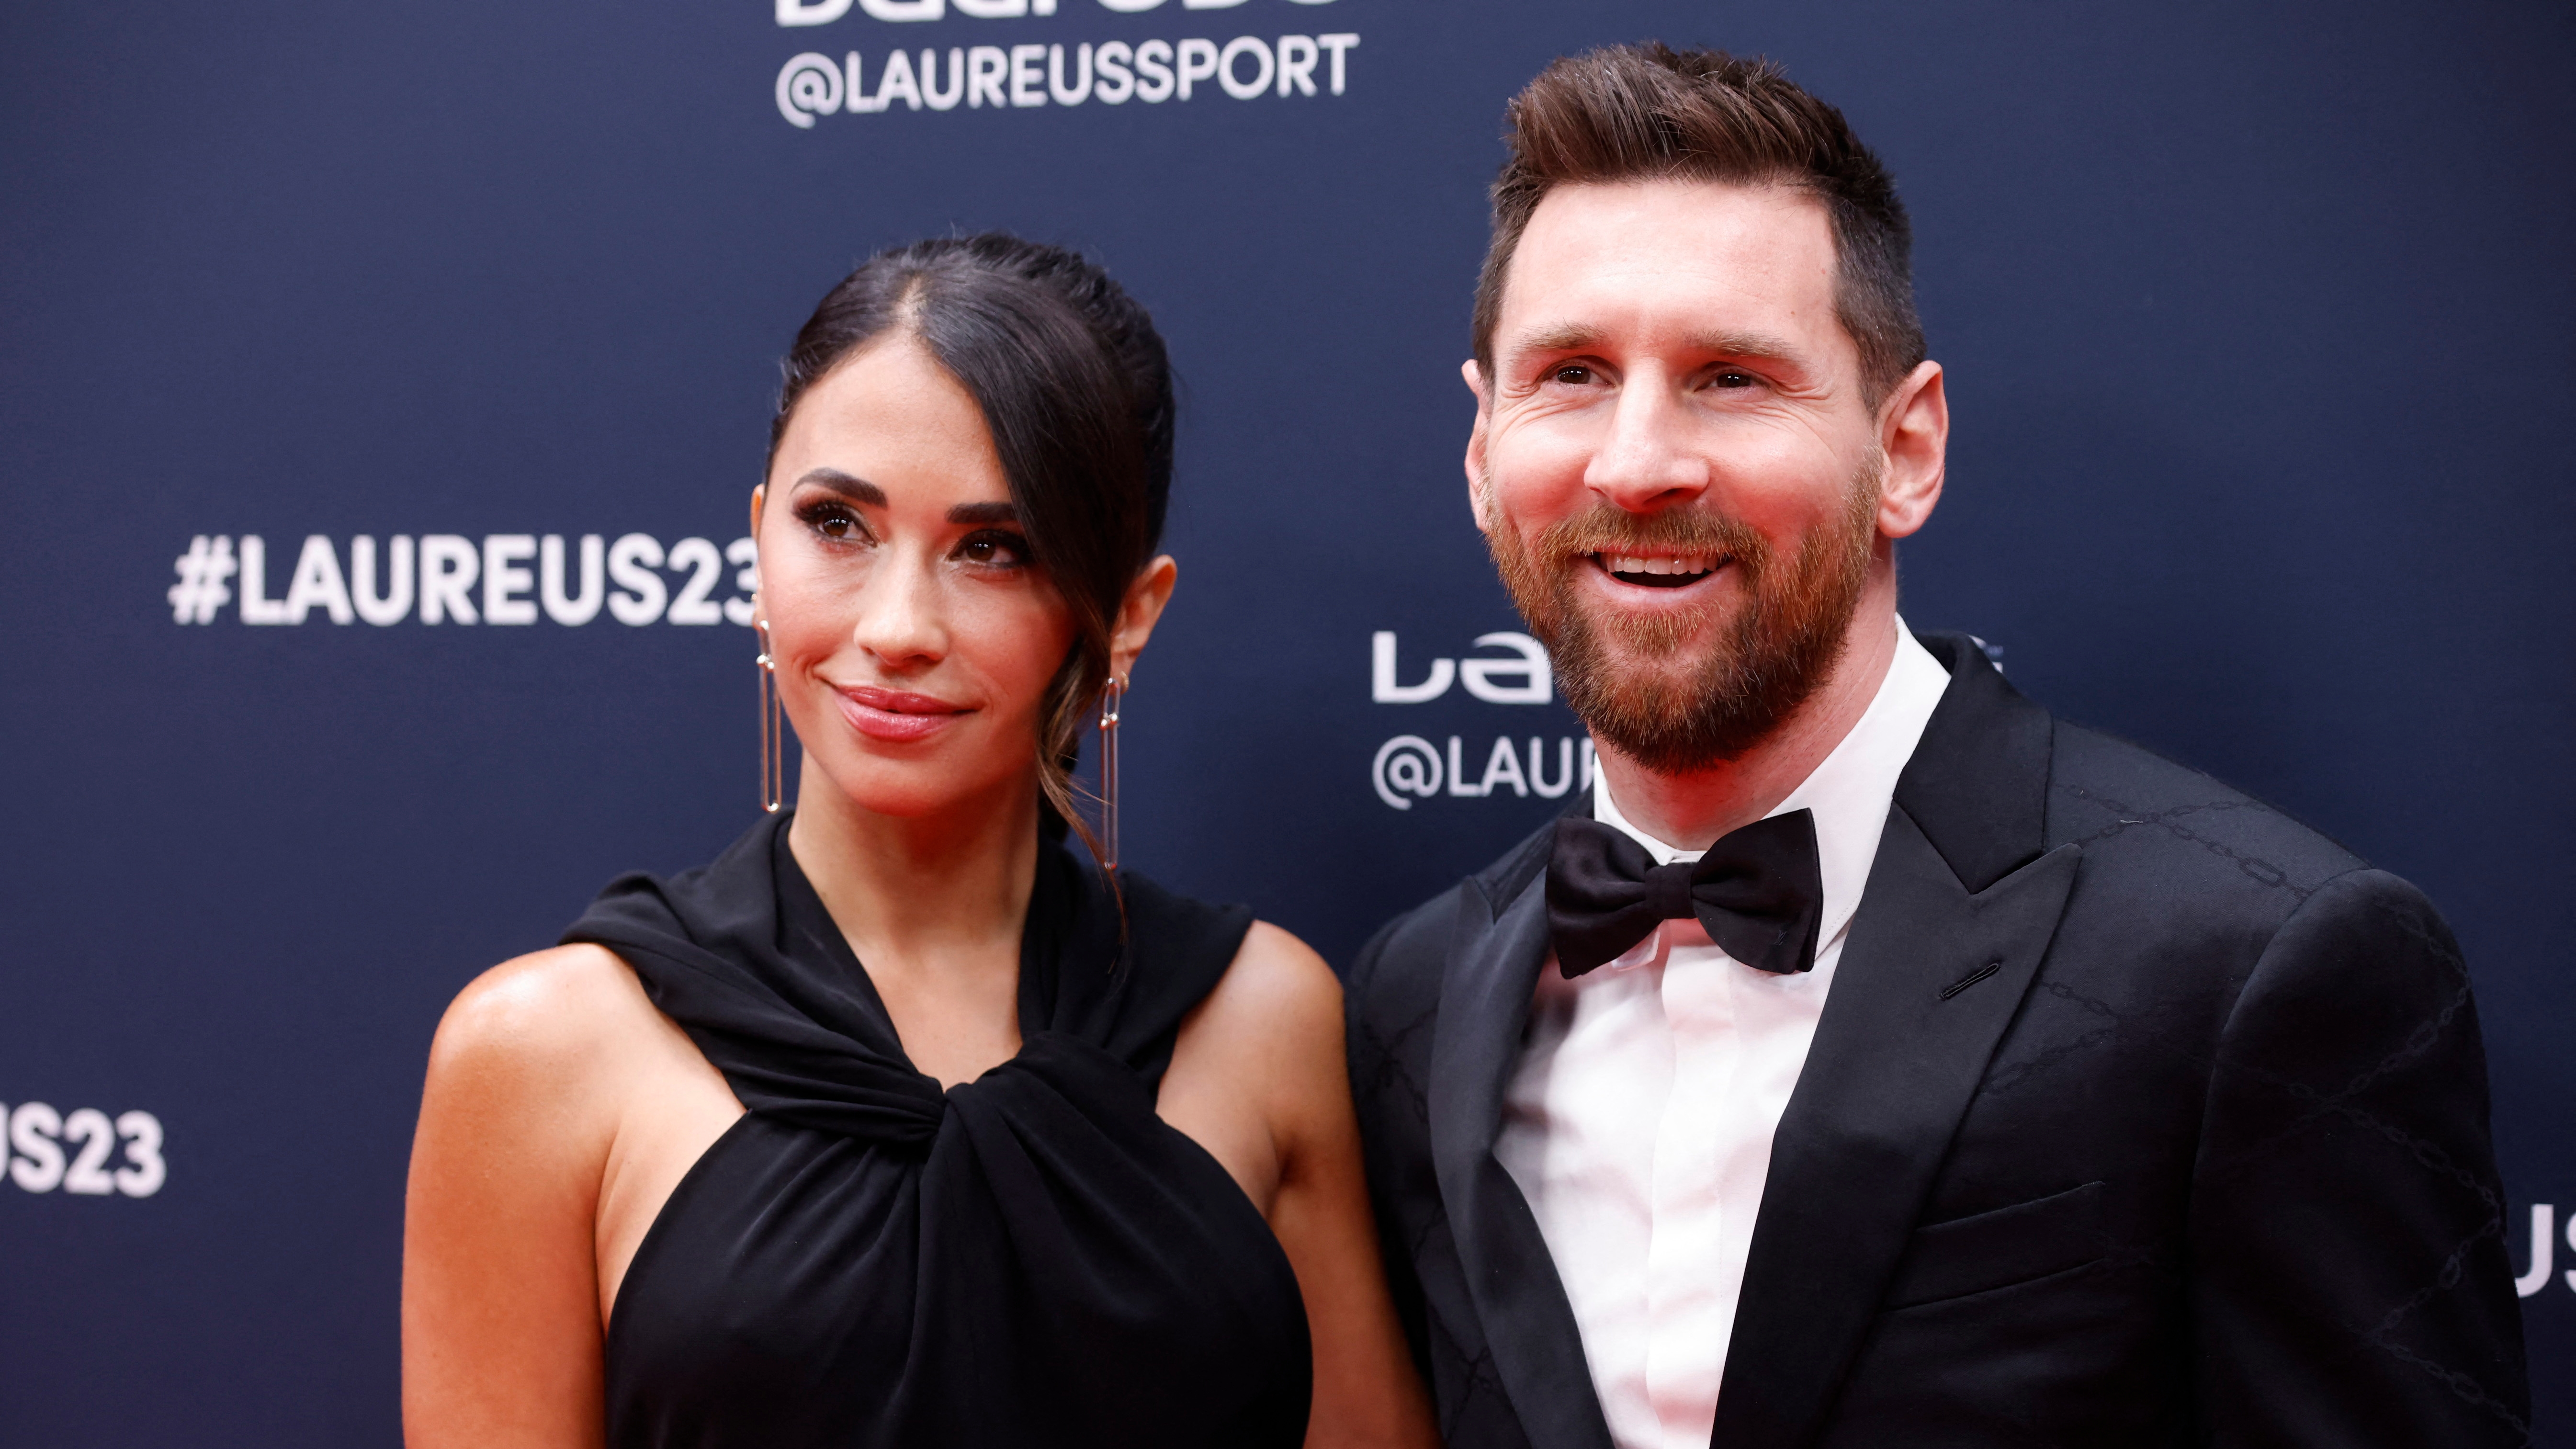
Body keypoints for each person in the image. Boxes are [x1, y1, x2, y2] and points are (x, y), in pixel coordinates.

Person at [1344, 45, 2529, 1449]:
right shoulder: (1414, 1001)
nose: (1635, 462)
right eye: (1573, 374)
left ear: (1903, 449)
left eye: (1729, 377)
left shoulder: (2255, 969)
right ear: (1483, 451)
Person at [403, 234, 1437, 1448]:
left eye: (992, 549)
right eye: (836, 523)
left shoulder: (1261, 1016)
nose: (896, 627)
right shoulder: (542, 1051)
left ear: (1126, 614)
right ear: (757, 542)